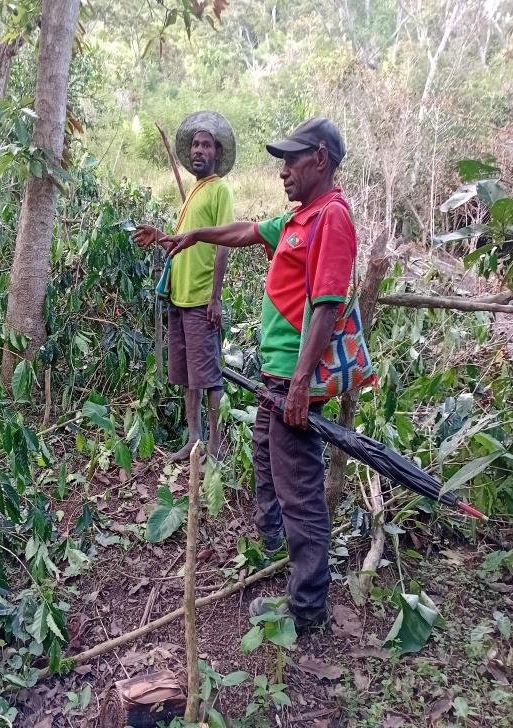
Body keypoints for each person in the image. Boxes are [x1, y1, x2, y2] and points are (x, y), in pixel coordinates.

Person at [161, 117, 356, 633]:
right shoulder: (298, 219)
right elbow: (247, 231)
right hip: (274, 377)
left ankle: (307, 607)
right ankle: (274, 553)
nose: (282, 171)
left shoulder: (331, 219)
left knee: (299, 489)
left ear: (320, 158)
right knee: (265, 462)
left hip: (294, 379)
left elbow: (326, 308)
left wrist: (299, 383)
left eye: (291, 160)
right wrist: (194, 234)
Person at [133, 111, 235, 461]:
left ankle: (217, 452)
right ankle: (194, 442)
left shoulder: (220, 190)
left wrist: (216, 297)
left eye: (206, 145)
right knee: (191, 377)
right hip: (180, 297)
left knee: (210, 379)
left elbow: (224, 243)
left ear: (217, 154)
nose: (199, 150)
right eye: (195, 144)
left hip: (201, 299)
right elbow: (184, 243)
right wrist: (159, 236)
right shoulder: (195, 190)